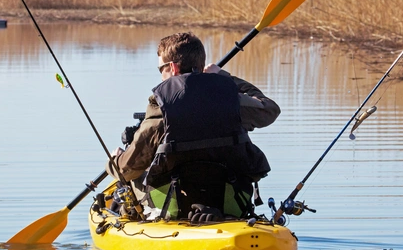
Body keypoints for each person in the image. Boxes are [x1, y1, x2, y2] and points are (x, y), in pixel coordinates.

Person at [108, 32, 279, 222]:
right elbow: (269, 109)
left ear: (172, 68)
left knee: (129, 180)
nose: (161, 76)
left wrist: (114, 160)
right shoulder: (230, 100)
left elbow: (128, 169)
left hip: (173, 207)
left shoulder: (161, 108)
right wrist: (225, 78)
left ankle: (127, 218)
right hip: (229, 200)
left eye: (161, 70)